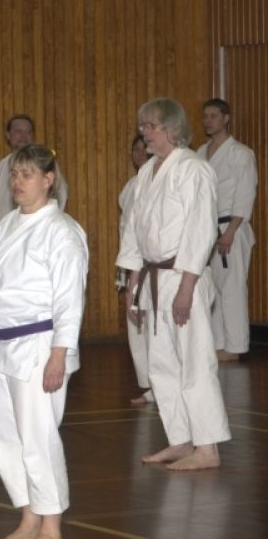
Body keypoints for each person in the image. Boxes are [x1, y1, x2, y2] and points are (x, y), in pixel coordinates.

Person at [0, 144, 88, 539]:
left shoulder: (62, 231)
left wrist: (59, 354)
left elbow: (70, 299)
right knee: (2, 432)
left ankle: (51, 525)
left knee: (38, 435)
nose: (17, 181)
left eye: (27, 174)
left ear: (48, 180)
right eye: (14, 174)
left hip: (39, 344)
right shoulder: (5, 225)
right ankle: (29, 515)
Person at [117, 98, 231, 470]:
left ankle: (208, 448)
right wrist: (133, 285)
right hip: (153, 279)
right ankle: (180, 440)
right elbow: (135, 232)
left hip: (184, 277)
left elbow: (201, 230)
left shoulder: (193, 169)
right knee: (161, 365)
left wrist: (187, 287)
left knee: (195, 362)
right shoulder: (147, 173)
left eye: (151, 126)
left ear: (173, 128)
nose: (145, 133)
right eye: (143, 126)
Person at [197, 98, 257, 362]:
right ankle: (219, 342)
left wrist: (231, 231)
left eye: (213, 116)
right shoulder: (201, 152)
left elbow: (245, 195)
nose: (208, 121)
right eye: (205, 116)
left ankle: (236, 346)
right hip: (207, 228)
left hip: (232, 226)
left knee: (232, 287)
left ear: (226, 118)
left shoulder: (241, 154)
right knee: (214, 287)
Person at [117, 134, 154, 405]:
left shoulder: (155, 181)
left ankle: (160, 384)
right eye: (135, 149)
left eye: (144, 148)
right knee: (135, 327)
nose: (139, 153)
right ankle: (148, 384)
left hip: (148, 263)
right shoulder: (132, 184)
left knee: (149, 325)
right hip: (131, 262)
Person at [0, 115, 68, 228]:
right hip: (4, 231)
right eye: (18, 131)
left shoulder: (44, 163)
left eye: (28, 132)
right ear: (8, 135)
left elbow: (61, 194)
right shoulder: (0, 167)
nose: (23, 136)